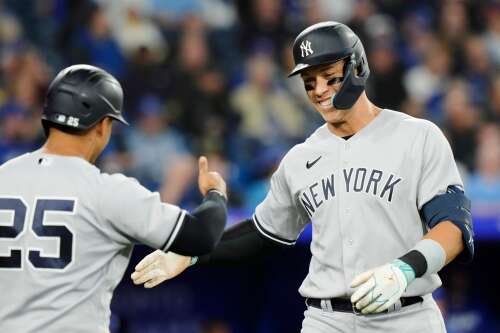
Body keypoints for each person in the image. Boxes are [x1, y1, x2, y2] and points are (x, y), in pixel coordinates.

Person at [132, 22, 474, 332]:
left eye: (329, 76)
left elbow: (455, 226)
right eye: (310, 82)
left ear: (356, 68)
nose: (319, 90)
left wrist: (404, 270)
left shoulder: (417, 136)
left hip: (407, 316)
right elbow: (262, 233)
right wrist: (192, 252)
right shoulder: (301, 158)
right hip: (327, 320)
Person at [0, 64, 228, 333]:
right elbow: (201, 236)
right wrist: (216, 193)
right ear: (102, 125)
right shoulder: (106, 190)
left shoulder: (5, 176)